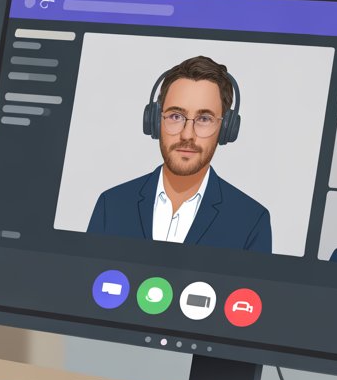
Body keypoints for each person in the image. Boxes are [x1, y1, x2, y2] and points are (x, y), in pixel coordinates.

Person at [86, 55, 272, 253]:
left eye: (204, 119)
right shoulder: (112, 205)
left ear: (226, 128)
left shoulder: (251, 221)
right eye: (176, 116)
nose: (187, 135)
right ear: (155, 121)